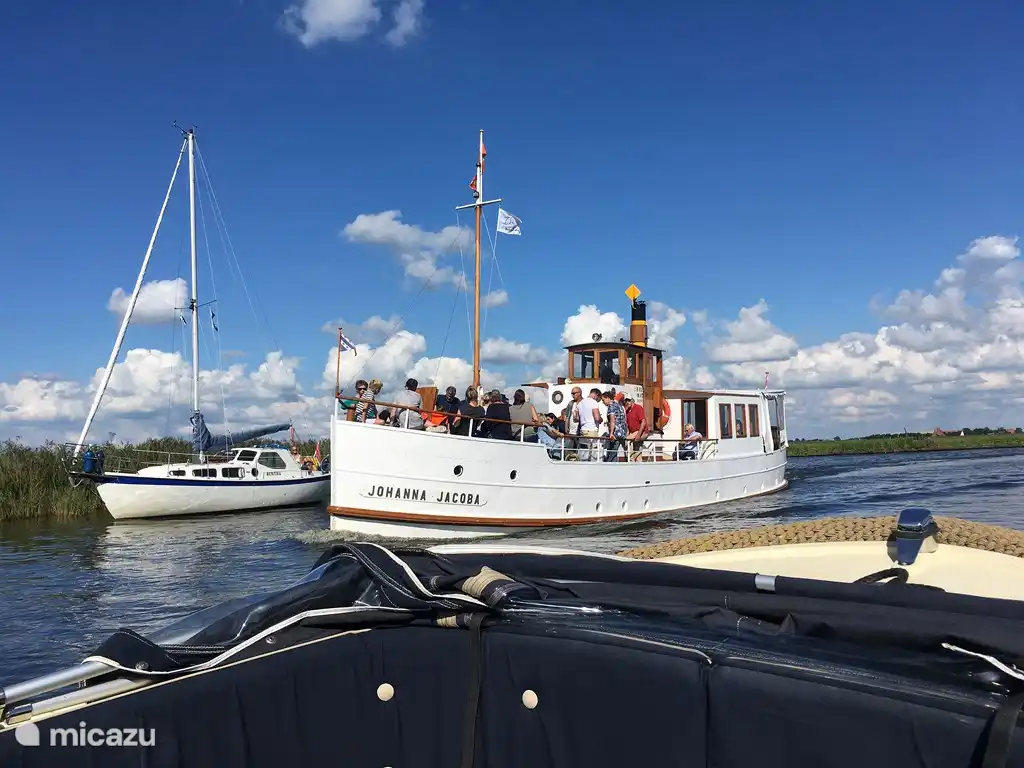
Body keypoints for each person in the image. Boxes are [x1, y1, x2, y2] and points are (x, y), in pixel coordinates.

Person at [575, 388, 602, 461]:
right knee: (594, 453)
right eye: (598, 398)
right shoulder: (593, 402)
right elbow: (597, 418)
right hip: (592, 430)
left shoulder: (580, 403)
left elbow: (577, 418)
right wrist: (600, 419)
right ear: (596, 395)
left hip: (583, 430)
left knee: (583, 451)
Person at [601, 390, 627, 462]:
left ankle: (609, 468)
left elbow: (613, 420)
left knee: (612, 452)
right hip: (623, 432)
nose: (603, 402)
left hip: (616, 433)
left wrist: (611, 433)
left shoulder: (611, 407)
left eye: (603, 400)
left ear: (608, 398)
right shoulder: (619, 406)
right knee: (615, 452)